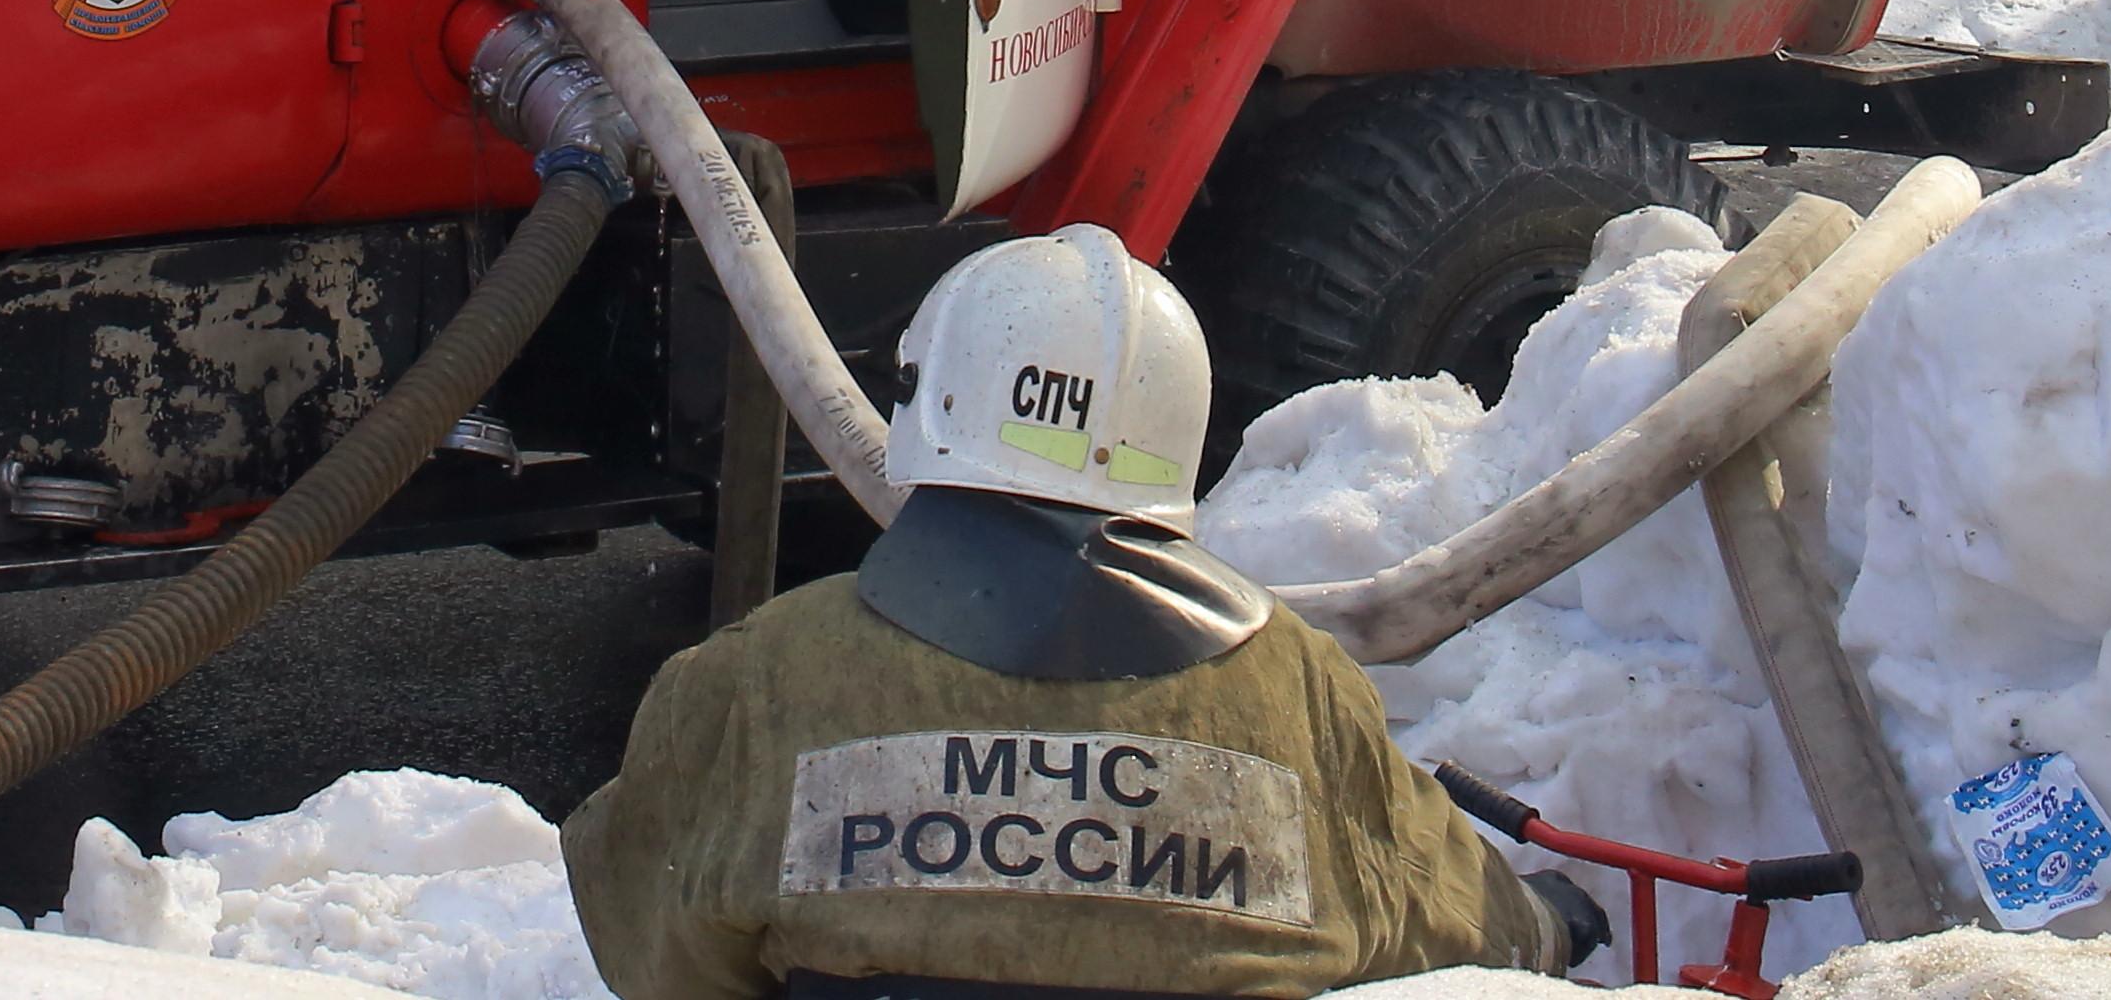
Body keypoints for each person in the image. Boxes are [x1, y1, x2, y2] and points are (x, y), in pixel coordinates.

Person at [562, 229, 1584, 1000]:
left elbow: (651, 937)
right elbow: (1443, 917)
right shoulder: (1302, 690)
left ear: (933, 401)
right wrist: (1552, 923)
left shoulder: (759, 677)